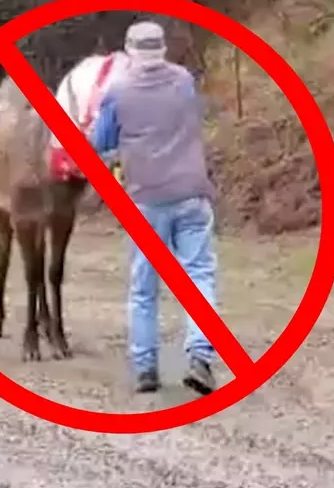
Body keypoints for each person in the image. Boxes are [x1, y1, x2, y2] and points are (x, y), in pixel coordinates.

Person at [87, 20, 219, 396]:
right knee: (199, 276)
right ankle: (200, 356)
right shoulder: (183, 81)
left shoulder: (118, 90)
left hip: (145, 199)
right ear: (162, 50)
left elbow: (102, 142)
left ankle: (146, 369)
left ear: (130, 52)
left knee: (144, 287)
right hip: (191, 192)